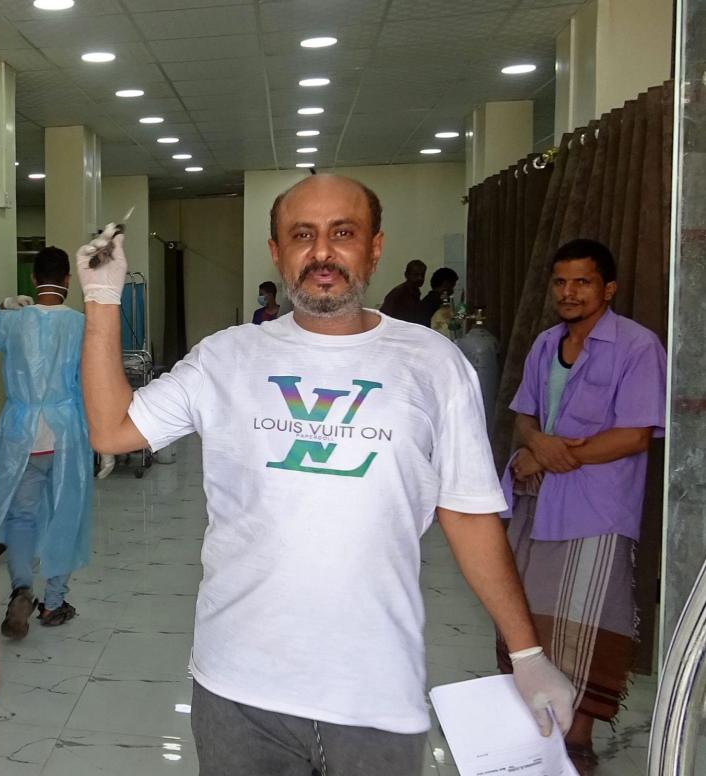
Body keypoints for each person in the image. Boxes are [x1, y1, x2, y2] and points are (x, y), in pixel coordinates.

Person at [76, 175, 575, 775]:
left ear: (375, 247)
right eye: (302, 235)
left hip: (376, 691)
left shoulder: (432, 363)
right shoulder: (226, 357)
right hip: (239, 688)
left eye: (343, 233)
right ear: (277, 251)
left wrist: (526, 652)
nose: (321, 252)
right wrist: (103, 299)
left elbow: (467, 510)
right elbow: (111, 431)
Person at [499, 238, 666, 775]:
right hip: (535, 503)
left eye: (582, 282)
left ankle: (576, 745)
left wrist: (546, 454)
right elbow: (524, 415)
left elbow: (635, 435)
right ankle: (526, 741)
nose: (568, 293)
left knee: (585, 624)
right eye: (560, 282)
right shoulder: (546, 343)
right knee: (523, 617)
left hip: (596, 508)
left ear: (607, 288)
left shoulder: (638, 346)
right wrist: (534, 443)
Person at [0, 246, 93, 636]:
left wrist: (2, 307)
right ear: (68, 280)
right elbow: (93, 383)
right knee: (65, 515)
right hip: (67, 433)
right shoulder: (81, 325)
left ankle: (22, 588)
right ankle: (53, 603)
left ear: (34, 280)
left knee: (22, 517)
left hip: (22, 434)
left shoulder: (14, 322)